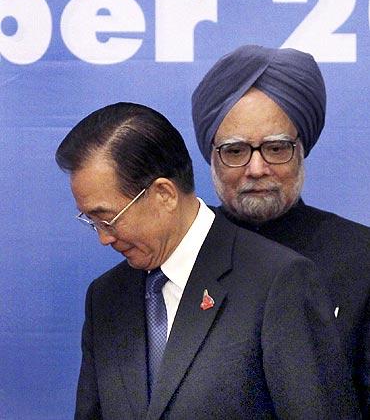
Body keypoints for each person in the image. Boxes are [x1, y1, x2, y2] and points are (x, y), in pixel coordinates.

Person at [55, 102, 359, 420]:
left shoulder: (277, 282)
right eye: (92, 222)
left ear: (164, 195)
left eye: (108, 219)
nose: (105, 238)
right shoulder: (106, 297)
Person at [192, 44, 370, 418]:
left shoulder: (361, 257)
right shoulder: (182, 252)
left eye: (275, 148)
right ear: (211, 155)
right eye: (236, 151)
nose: (256, 169)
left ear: (302, 148)